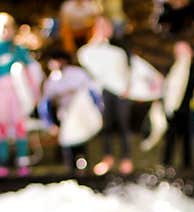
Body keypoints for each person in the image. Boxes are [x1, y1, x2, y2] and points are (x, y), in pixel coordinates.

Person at [0, 13, 43, 177]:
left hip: (17, 92)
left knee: (20, 125)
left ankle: (22, 162)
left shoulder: (18, 49)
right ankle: (3, 163)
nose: (6, 31)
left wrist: (35, 94)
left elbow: (29, 72)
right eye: (2, 28)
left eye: (8, 27)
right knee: (3, 127)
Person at [39, 50, 102, 174]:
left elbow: (93, 92)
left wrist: (98, 110)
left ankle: (83, 167)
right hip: (64, 116)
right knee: (67, 143)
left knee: (81, 141)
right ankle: (71, 170)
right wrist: (49, 123)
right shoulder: (52, 81)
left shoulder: (77, 74)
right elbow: (45, 104)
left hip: (81, 115)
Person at [88, 15, 134, 176]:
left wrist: (127, 87)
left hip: (121, 91)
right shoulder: (91, 49)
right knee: (106, 125)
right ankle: (107, 157)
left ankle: (126, 158)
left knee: (123, 125)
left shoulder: (120, 46)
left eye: (106, 26)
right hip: (103, 91)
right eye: (100, 26)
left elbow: (129, 68)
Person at [162, 40, 194, 170]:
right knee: (170, 137)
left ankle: (188, 165)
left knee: (187, 138)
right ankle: (166, 163)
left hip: (187, 108)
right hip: (174, 108)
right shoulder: (173, 68)